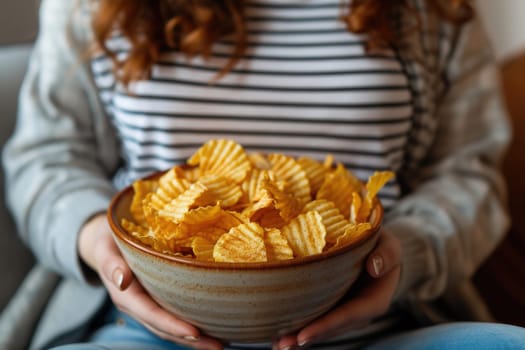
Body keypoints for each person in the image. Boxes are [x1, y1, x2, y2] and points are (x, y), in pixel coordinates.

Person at [3, 0, 525, 349]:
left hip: (380, 325)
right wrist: (99, 242)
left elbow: (469, 173)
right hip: (145, 325)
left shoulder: (429, 9)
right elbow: (46, 156)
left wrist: (407, 253)